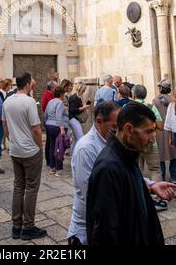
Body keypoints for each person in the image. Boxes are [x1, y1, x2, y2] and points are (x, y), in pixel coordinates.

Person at [86, 102, 176, 245]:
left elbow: (127, 189)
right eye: (148, 131)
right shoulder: (108, 168)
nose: (153, 138)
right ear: (128, 129)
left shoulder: (127, 154)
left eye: (153, 131)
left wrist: (150, 187)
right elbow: (105, 232)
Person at [2, 72, 47, 241]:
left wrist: (11, 140)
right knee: (32, 187)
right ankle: (28, 226)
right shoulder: (28, 102)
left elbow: (5, 126)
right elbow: (36, 128)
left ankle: (16, 226)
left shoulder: (7, 101)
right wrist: (40, 146)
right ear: (27, 84)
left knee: (18, 186)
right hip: (30, 150)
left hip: (15, 150)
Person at [68, 101, 120, 245]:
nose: (118, 132)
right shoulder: (85, 149)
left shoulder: (111, 142)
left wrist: (150, 185)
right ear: (99, 121)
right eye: (114, 127)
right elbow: (89, 193)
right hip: (87, 227)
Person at [132, 84, 163, 182]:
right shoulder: (151, 107)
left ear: (133, 95)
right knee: (155, 170)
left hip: (133, 142)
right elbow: (161, 127)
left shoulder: (127, 107)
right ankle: (158, 195)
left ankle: (139, 193)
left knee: (135, 169)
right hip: (150, 142)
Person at [152, 79, 176, 183]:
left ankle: (162, 178)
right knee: (173, 155)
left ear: (162, 88)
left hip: (160, 130)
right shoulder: (173, 100)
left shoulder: (155, 100)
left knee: (161, 156)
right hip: (170, 130)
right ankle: (174, 177)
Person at [44, 86, 68, 177]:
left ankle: (52, 168)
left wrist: (46, 123)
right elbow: (59, 116)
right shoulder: (60, 102)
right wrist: (62, 128)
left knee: (52, 147)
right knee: (59, 148)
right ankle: (59, 170)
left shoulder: (50, 101)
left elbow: (45, 114)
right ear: (62, 94)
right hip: (56, 127)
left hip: (49, 125)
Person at [68, 82, 90, 151]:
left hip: (74, 118)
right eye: (84, 89)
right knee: (80, 137)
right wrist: (84, 107)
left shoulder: (77, 97)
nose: (84, 91)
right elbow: (72, 110)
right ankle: (77, 152)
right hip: (72, 118)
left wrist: (84, 106)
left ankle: (73, 153)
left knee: (76, 138)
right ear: (80, 88)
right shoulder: (74, 97)